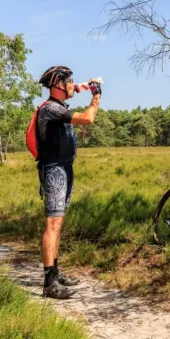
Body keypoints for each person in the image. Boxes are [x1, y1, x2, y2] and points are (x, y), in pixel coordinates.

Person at [35, 65, 101, 299]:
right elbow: (88, 118)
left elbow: (79, 91)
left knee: (58, 223)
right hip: (54, 169)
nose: (73, 85)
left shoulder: (60, 106)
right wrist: (96, 95)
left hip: (65, 168)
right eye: (69, 81)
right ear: (59, 85)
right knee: (52, 224)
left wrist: (88, 87)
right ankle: (48, 283)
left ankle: (56, 272)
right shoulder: (51, 108)